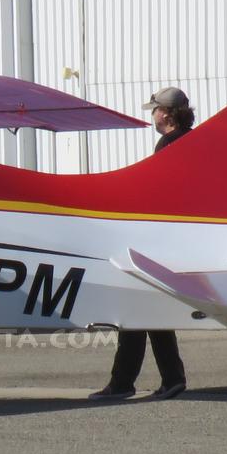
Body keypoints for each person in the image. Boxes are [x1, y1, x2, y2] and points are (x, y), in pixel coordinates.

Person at [90, 86, 194, 401]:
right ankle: (145, 379)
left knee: (138, 309)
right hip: (177, 237)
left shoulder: (170, 145)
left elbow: (159, 194)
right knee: (141, 309)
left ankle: (131, 382)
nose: (152, 114)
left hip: (160, 237)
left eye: (155, 109)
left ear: (167, 113)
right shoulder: (192, 141)